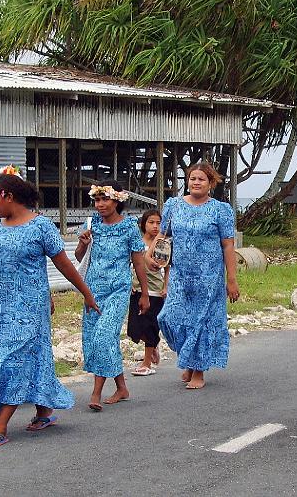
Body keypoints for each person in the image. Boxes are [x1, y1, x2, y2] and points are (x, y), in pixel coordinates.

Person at [0, 165, 99, 447]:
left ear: (8, 196)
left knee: (12, 358)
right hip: (0, 306)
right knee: (31, 356)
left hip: (30, 306)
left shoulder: (40, 226)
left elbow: (65, 267)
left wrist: (86, 293)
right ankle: (44, 411)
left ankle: (0, 425)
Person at [148, 162, 239, 390]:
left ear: (210, 184)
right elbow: (162, 234)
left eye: (201, 179)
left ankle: (198, 371)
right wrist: (150, 256)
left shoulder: (220, 210)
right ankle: (189, 356)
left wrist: (231, 280)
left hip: (209, 277)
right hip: (179, 274)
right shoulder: (174, 206)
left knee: (201, 321)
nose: (196, 182)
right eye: (192, 179)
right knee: (168, 317)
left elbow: (228, 246)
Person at [75, 180, 149, 411]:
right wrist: (83, 244)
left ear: (117, 200)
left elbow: (138, 261)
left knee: (103, 337)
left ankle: (95, 393)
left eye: (104, 199)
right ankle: (122, 387)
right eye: (97, 200)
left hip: (118, 291)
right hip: (93, 291)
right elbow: (80, 259)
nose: (100, 204)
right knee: (99, 339)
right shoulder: (92, 225)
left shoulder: (129, 227)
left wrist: (145, 293)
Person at [128, 209, 169, 377]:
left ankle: (146, 363)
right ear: (143, 224)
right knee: (134, 328)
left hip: (155, 291)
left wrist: (166, 287)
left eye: (158, 223)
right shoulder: (137, 243)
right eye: (151, 222)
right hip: (137, 288)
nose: (155, 226)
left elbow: (168, 268)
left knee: (150, 325)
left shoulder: (163, 244)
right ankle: (153, 345)